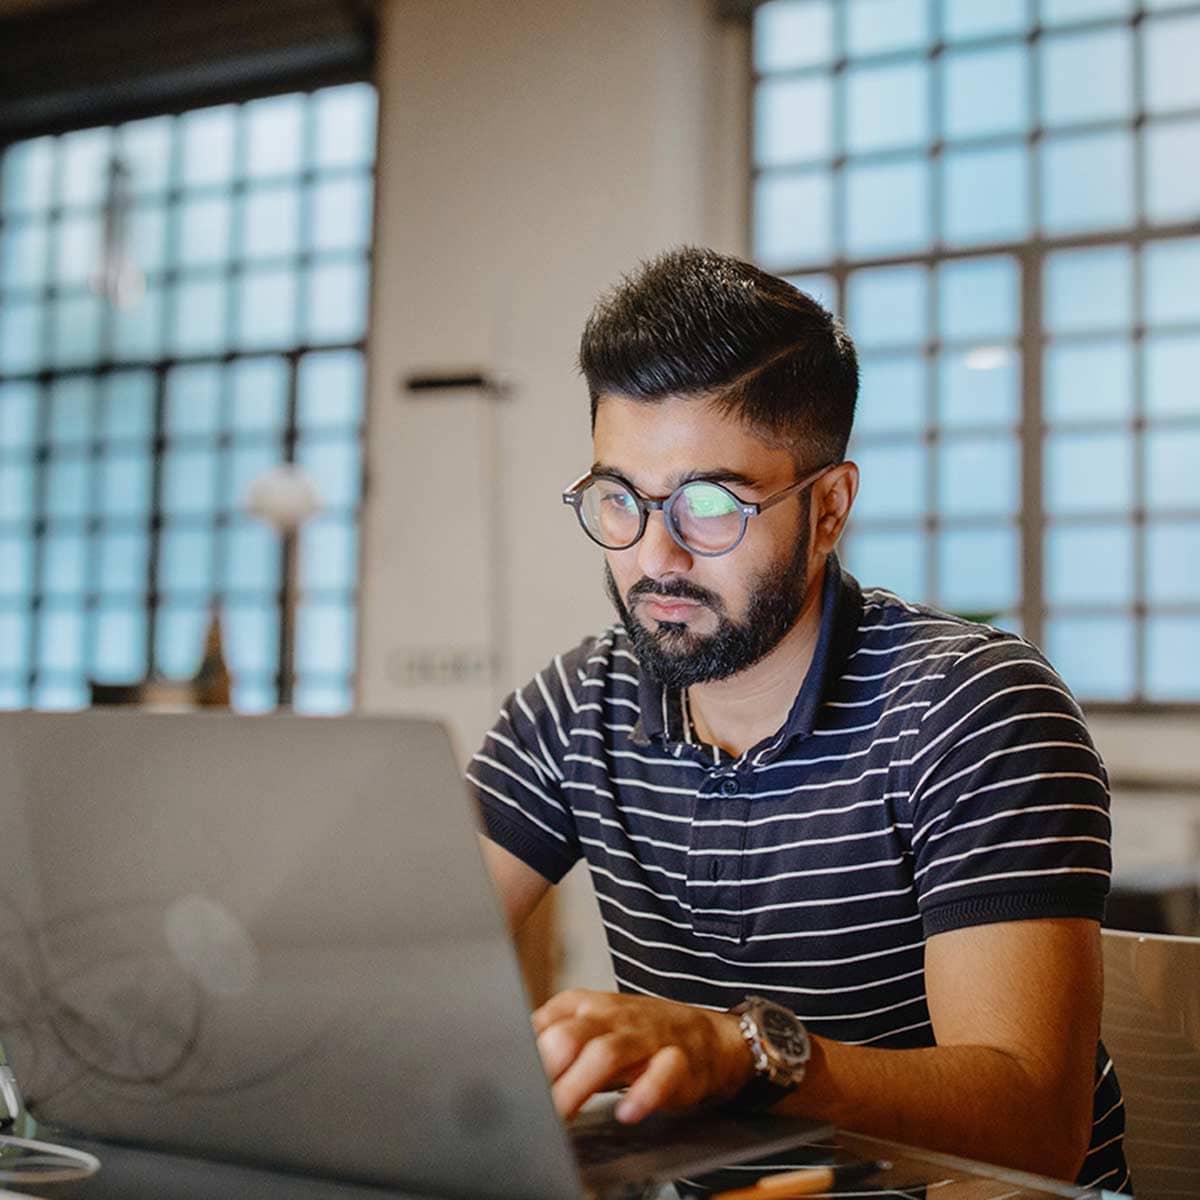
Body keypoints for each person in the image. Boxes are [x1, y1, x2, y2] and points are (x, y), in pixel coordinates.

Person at [467, 247, 1128, 1193]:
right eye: (619, 498)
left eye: (709, 505)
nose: (655, 556)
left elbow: (1033, 1126)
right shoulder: (580, 705)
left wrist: (737, 1053)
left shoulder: (972, 708)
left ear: (828, 508)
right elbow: (399, 964)